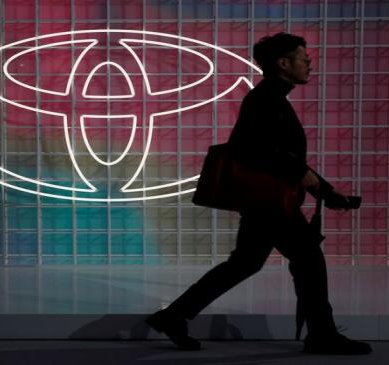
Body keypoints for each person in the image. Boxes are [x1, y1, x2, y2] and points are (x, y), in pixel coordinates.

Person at [146, 33, 372, 355]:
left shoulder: (269, 98)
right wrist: (315, 182)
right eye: (303, 58)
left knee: (245, 263)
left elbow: (282, 158)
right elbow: (260, 152)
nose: (309, 64)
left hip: (266, 202)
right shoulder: (266, 100)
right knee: (307, 260)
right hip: (270, 204)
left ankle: (173, 315)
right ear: (283, 63)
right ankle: (322, 335)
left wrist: (326, 189)